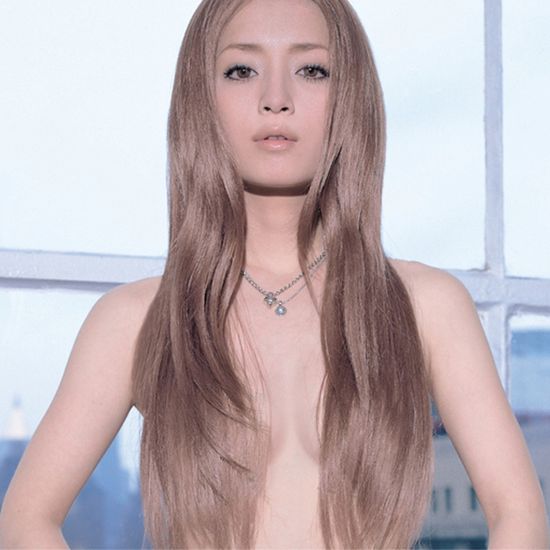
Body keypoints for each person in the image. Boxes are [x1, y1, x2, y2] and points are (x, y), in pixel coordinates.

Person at [1, 0, 549, 548]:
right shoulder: (135, 321)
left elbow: (520, 514)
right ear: (200, 97)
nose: (276, 98)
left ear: (350, 96)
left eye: (312, 69)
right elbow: (25, 519)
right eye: (242, 70)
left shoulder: (426, 306)